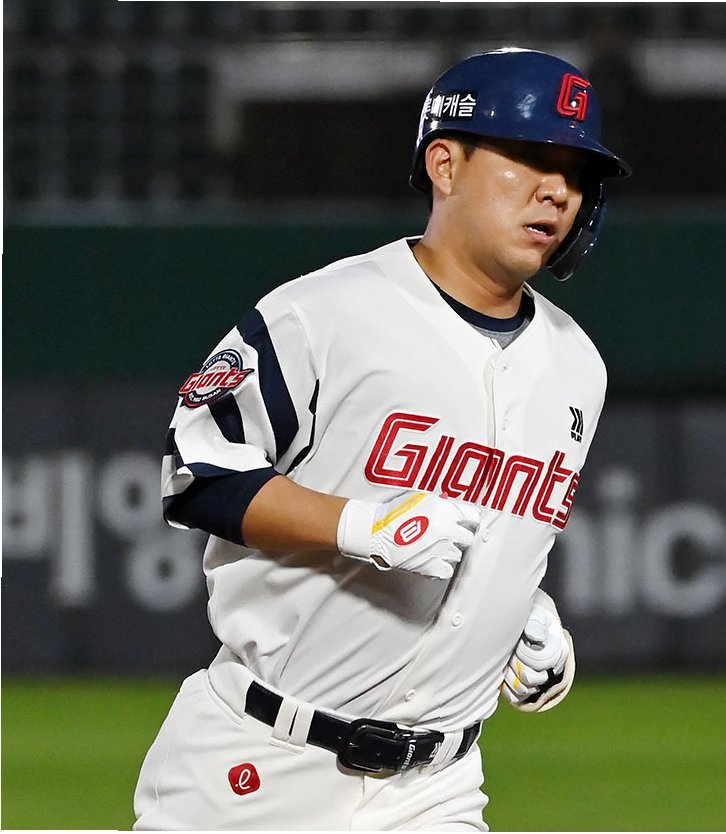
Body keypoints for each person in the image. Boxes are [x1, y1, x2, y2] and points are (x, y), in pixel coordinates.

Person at [133, 47, 630, 830]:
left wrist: (515, 613)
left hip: (437, 790)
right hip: (259, 764)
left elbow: (491, 527)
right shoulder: (325, 312)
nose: (557, 190)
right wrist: (357, 525)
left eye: (576, 172)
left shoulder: (578, 366)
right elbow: (198, 472)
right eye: (532, 158)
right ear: (445, 164)